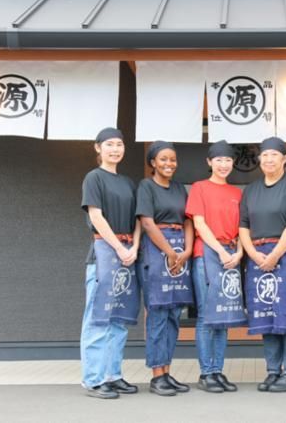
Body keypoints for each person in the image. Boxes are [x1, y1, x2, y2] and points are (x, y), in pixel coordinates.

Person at [239, 137, 286, 393]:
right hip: (258, 257)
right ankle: (273, 371)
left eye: (274, 155)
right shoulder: (251, 190)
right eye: (265, 155)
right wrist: (253, 254)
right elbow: (243, 226)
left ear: (284, 159)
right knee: (265, 314)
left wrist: (275, 255)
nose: (269, 159)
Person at [80, 127, 141, 399]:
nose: (115, 149)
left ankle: (112, 375)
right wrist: (119, 247)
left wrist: (134, 247)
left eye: (119, 144)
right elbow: (96, 216)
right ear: (98, 148)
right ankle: (93, 379)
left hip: (127, 256)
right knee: (98, 318)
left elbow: (138, 219)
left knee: (118, 319)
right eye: (109, 144)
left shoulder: (128, 183)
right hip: (104, 256)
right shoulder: (94, 178)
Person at [185, 140, 245, 393]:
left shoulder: (237, 193)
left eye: (228, 160)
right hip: (207, 254)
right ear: (209, 162)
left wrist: (239, 251)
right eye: (219, 160)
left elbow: (243, 227)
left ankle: (217, 371)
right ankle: (206, 372)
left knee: (224, 315)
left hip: (231, 256)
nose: (223, 165)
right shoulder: (199, 188)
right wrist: (221, 251)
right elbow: (199, 223)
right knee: (207, 315)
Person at [136, 141, 194, 396]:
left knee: (174, 314)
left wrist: (187, 250)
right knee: (158, 313)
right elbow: (147, 223)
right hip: (157, 250)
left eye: (172, 159)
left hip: (180, 250)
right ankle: (156, 375)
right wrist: (170, 252)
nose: (169, 163)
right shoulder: (146, 186)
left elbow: (188, 220)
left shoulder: (179, 188)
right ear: (153, 162)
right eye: (163, 159)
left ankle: (167, 372)